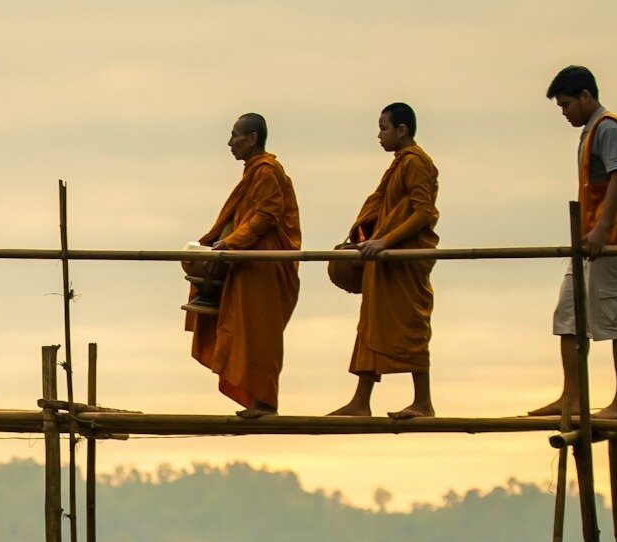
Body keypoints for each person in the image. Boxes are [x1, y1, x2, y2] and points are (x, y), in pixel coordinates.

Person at [530, 65, 617, 420]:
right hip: (590, 240)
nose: (564, 113)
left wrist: (603, 228)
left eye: (566, 105)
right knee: (568, 316)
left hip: (613, 240)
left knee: (615, 317)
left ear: (585, 96)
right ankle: (573, 397)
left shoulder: (608, 127)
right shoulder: (589, 131)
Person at [329, 102, 439, 419]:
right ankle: (361, 401)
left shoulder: (416, 163)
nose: (379, 135)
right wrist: (362, 241)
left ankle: (423, 402)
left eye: (383, 128)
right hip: (385, 259)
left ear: (401, 130)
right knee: (371, 325)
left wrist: (385, 241)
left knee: (411, 326)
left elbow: (423, 213)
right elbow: (381, 210)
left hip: (405, 258)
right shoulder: (399, 163)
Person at [187, 112, 302, 417]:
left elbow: (267, 215)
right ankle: (257, 400)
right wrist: (219, 241)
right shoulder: (254, 172)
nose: (230, 142)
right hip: (250, 263)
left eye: (236, 135)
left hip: (264, 266)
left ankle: (265, 402)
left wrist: (232, 242)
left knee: (260, 333)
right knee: (245, 330)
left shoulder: (267, 171)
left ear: (252, 139)